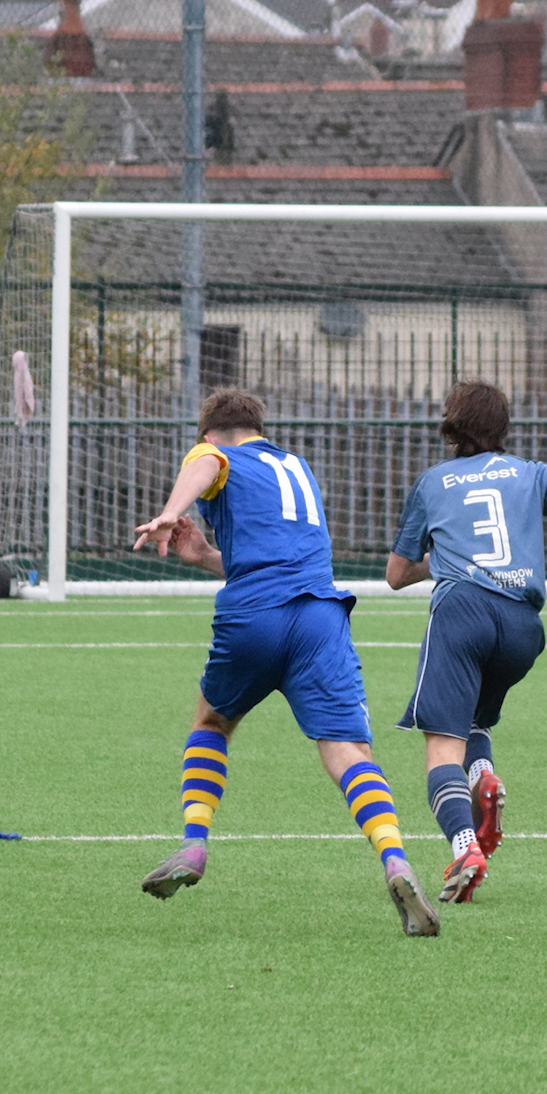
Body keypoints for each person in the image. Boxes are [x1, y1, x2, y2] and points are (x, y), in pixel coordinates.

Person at [130, 389, 436, 937]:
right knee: (347, 750)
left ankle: (194, 846)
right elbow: (275, 554)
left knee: (211, 720)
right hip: (320, 616)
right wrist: (203, 555)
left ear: (209, 432)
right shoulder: (296, 466)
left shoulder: (216, 455)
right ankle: (394, 858)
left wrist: (171, 513)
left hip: (254, 616)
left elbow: (207, 463)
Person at [384, 381, 547, 907]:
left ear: (450, 424)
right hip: (523, 626)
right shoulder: (529, 473)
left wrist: (444, 560)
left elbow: (395, 574)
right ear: (505, 428)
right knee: (475, 723)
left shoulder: (433, 481)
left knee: (441, 743)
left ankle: (464, 846)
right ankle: (482, 774)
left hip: (463, 611)